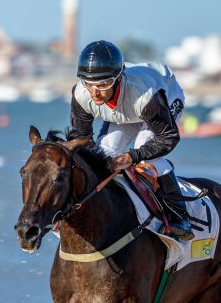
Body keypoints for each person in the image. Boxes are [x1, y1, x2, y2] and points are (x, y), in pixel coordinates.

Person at [67, 40, 193, 240]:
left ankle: (180, 217)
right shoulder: (81, 94)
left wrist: (132, 157)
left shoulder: (145, 96)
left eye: (103, 84)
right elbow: (79, 138)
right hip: (128, 109)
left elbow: (168, 138)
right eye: (88, 84)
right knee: (104, 152)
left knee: (144, 157)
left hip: (163, 95)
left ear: (117, 78)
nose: (95, 93)